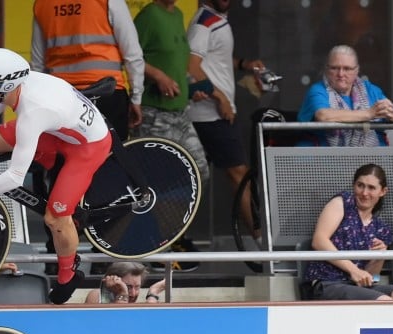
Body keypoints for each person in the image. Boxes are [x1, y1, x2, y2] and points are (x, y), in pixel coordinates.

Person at [0, 48, 112, 305]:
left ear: (6, 85)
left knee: (56, 217)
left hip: (87, 146)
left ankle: (69, 275)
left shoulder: (32, 111)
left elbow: (14, 178)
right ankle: (42, 158)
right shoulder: (12, 89)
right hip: (58, 128)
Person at [134, 0, 209, 273]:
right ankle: (155, 245)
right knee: (157, 182)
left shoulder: (177, 15)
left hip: (180, 112)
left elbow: (176, 62)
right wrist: (158, 76)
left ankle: (174, 234)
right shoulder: (149, 16)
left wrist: (189, 87)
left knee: (199, 171)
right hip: (155, 112)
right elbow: (131, 57)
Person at [186, 0, 265, 250]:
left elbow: (214, 58)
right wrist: (219, 97)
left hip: (216, 113)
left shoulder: (216, 20)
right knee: (238, 175)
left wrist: (244, 64)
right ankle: (263, 242)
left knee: (233, 176)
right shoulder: (204, 22)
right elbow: (191, 65)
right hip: (210, 114)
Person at [32, 0, 145, 142]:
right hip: (107, 92)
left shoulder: (42, 4)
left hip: (62, 97)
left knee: (66, 157)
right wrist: (136, 97)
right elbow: (132, 53)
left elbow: (37, 65)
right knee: (113, 158)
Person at [302, 164, 393, 302]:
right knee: (383, 300)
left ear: (383, 191)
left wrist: (379, 258)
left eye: (371, 188)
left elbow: (373, 278)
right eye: (360, 185)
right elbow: (319, 241)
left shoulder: (382, 229)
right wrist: (353, 270)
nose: (364, 193)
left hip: (358, 287)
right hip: (327, 283)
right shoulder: (343, 202)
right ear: (354, 185)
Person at [296, 45, 393, 147]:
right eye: (335, 68)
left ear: (357, 70)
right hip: (325, 159)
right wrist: (369, 113)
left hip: (373, 157)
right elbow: (323, 116)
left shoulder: (369, 89)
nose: (341, 74)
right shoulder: (318, 90)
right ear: (326, 69)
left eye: (347, 69)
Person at [84, 261, 165, 303]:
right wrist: (122, 293)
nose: (133, 294)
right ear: (113, 281)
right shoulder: (97, 295)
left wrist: (153, 294)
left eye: (137, 287)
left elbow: (148, 321)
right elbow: (118, 321)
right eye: (128, 287)